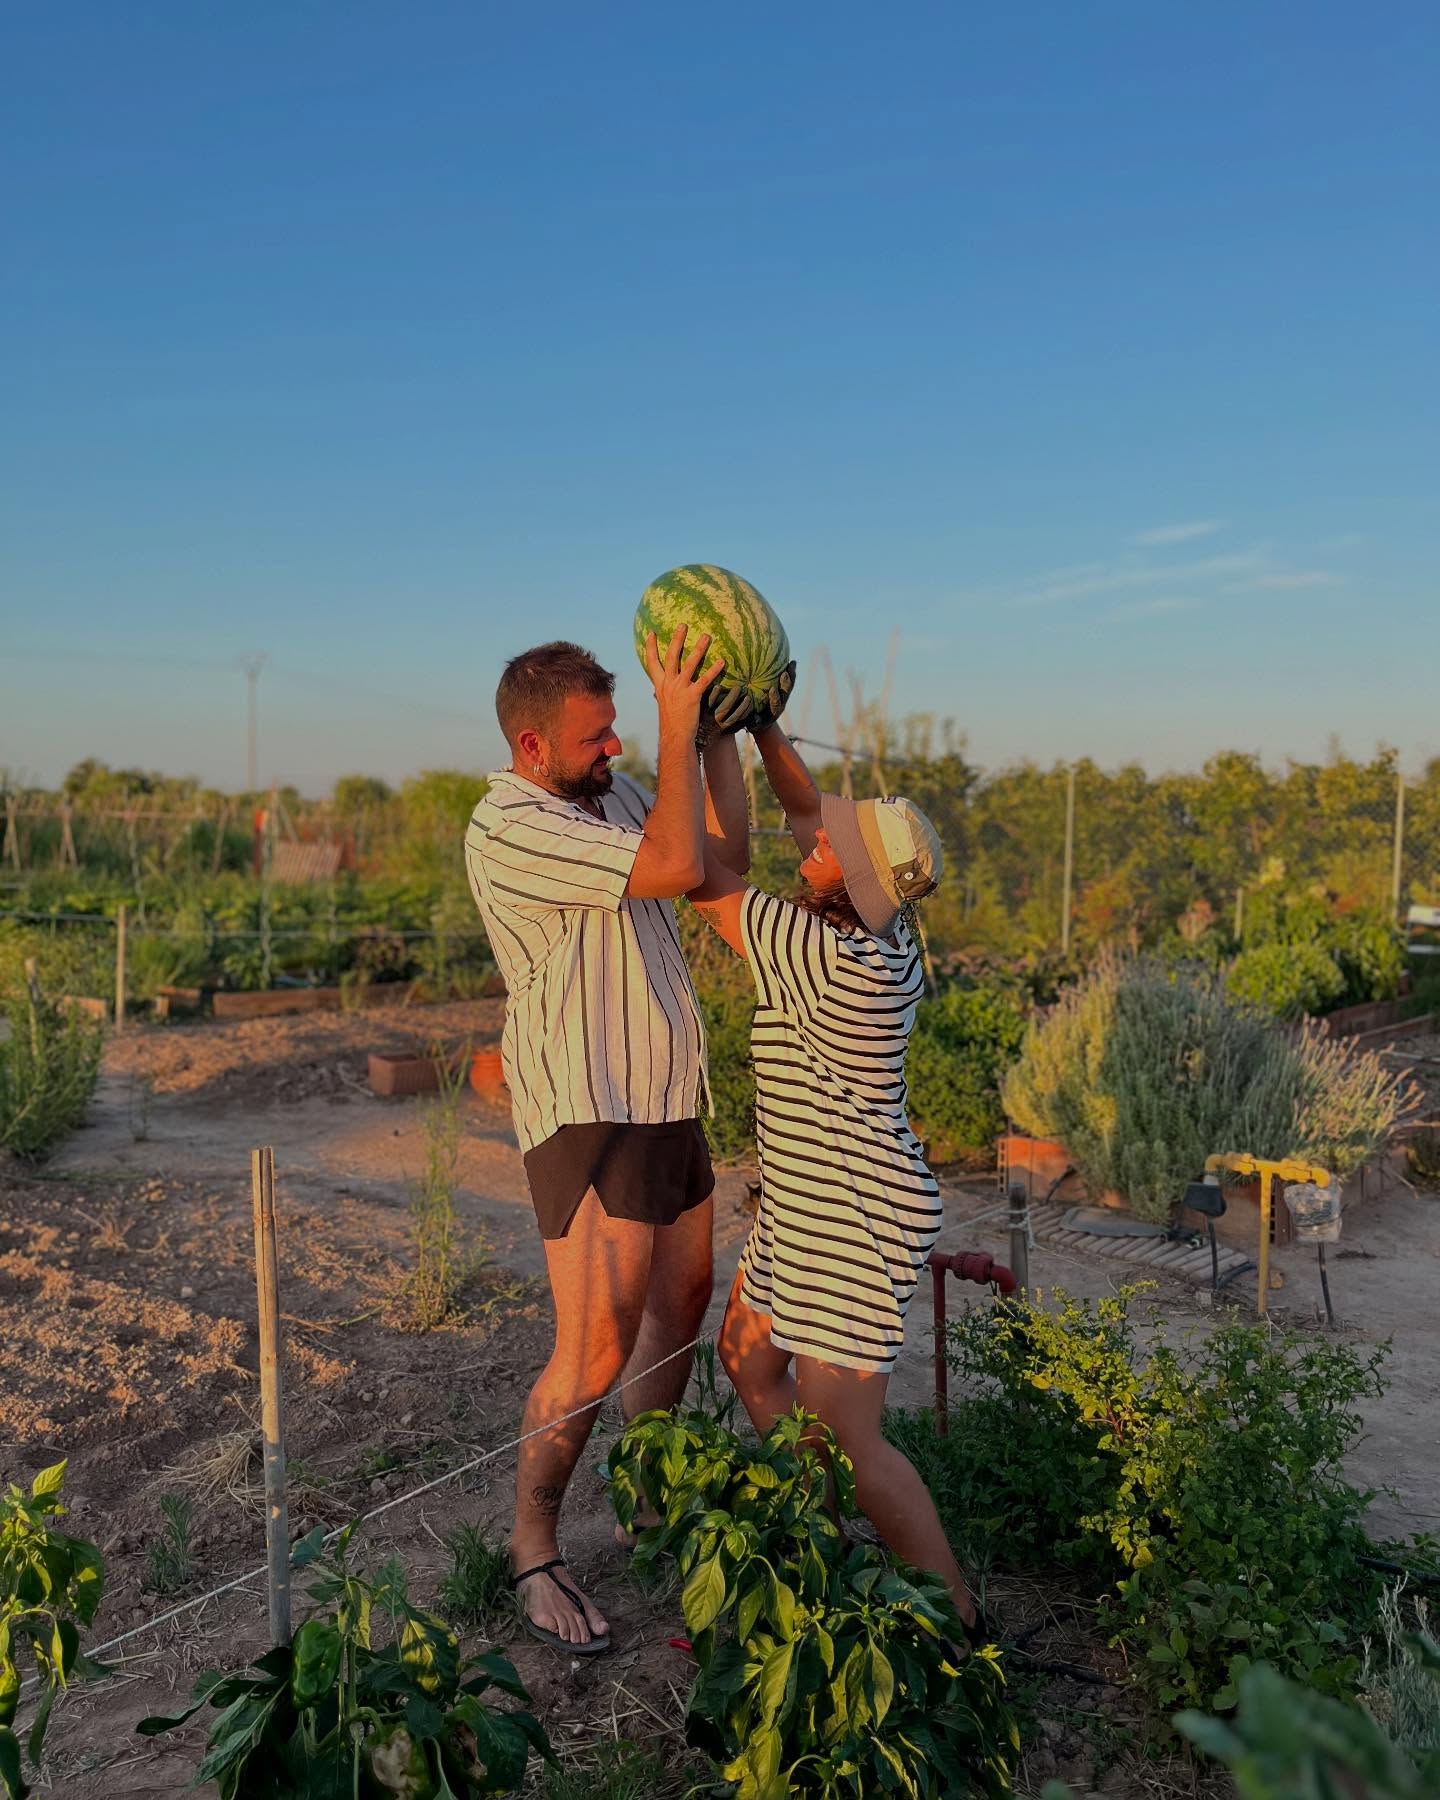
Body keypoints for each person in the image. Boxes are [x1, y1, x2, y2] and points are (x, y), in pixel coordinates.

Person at [463, 626, 743, 1654]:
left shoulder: (611, 795)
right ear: (532, 748)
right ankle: (531, 1547)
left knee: (680, 1302)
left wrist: (715, 740)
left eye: (619, 726)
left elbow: (720, 860)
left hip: (666, 1090)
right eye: (595, 736)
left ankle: (651, 1498)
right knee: (594, 1343)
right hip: (588, 1102)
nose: (614, 748)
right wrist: (677, 728)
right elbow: (672, 863)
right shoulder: (510, 825)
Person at [688, 723, 983, 1637]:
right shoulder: (885, 929)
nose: (813, 839)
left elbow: (696, 874)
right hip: (806, 1205)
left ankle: (959, 1624)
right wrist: (758, 723)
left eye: (834, 848)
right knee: (746, 1357)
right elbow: (810, 808)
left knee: (851, 1441)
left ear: (852, 882)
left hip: (853, 1222)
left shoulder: (826, 959)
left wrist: (691, 733)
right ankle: (822, 1542)